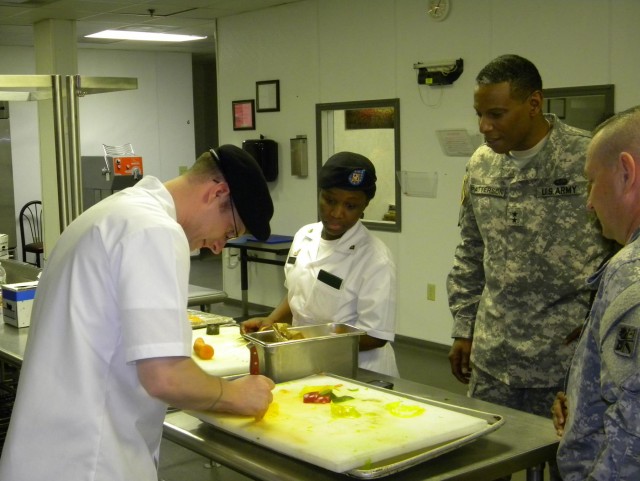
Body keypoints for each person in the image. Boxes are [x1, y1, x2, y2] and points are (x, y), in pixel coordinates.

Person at [0, 145, 276, 481]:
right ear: (218, 192)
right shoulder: (156, 230)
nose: (219, 246)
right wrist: (234, 394)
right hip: (89, 462)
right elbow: (165, 376)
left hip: (47, 455)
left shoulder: (115, 212)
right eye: (230, 231)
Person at [446, 54, 615, 453]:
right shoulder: (481, 165)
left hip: (566, 362)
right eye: (480, 114)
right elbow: (470, 251)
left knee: (568, 466)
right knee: (482, 463)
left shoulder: (586, 158)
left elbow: (622, 255)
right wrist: (463, 327)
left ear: (534, 104)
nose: (485, 126)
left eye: (497, 114)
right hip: (493, 357)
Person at [241, 152, 399, 376]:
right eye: (330, 200)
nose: (336, 213)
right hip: (305, 360)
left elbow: (375, 336)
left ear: (365, 205)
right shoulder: (305, 235)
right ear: (320, 194)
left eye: (350, 206)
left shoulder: (375, 259)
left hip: (359, 369)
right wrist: (272, 322)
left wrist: (302, 341)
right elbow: (298, 294)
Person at [552, 106, 640, 480]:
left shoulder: (631, 272)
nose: (589, 201)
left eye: (592, 181)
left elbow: (633, 427)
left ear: (626, 172)